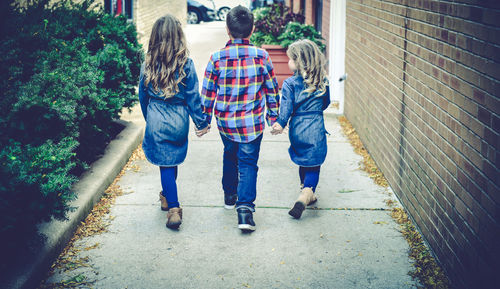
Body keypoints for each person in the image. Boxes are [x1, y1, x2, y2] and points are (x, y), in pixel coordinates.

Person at [201, 5, 279, 232]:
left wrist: (204, 120)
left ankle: (229, 195)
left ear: (227, 30)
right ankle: (245, 211)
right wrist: (274, 116)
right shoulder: (262, 56)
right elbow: (272, 89)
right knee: (248, 163)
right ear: (252, 30)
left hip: (226, 124)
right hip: (252, 124)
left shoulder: (217, 58)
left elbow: (207, 93)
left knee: (230, 155)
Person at [139, 14, 210, 229]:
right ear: (179, 37)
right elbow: (192, 97)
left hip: (156, 117)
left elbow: (143, 97)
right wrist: (201, 122)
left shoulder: (148, 63)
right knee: (171, 160)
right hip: (179, 119)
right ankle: (167, 196)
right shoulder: (186, 64)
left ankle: (173, 208)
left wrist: (149, 118)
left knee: (166, 164)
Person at [271, 39, 330, 219]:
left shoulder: (290, 83)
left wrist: (280, 123)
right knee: (314, 163)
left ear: (299, 62)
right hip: (315, 126)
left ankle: (305, 192)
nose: (288, 61)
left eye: (290, 59)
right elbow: (326, 102)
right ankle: (307, 193)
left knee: (303, 160)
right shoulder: (323, 80)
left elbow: (286, 108)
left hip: (297, 128)